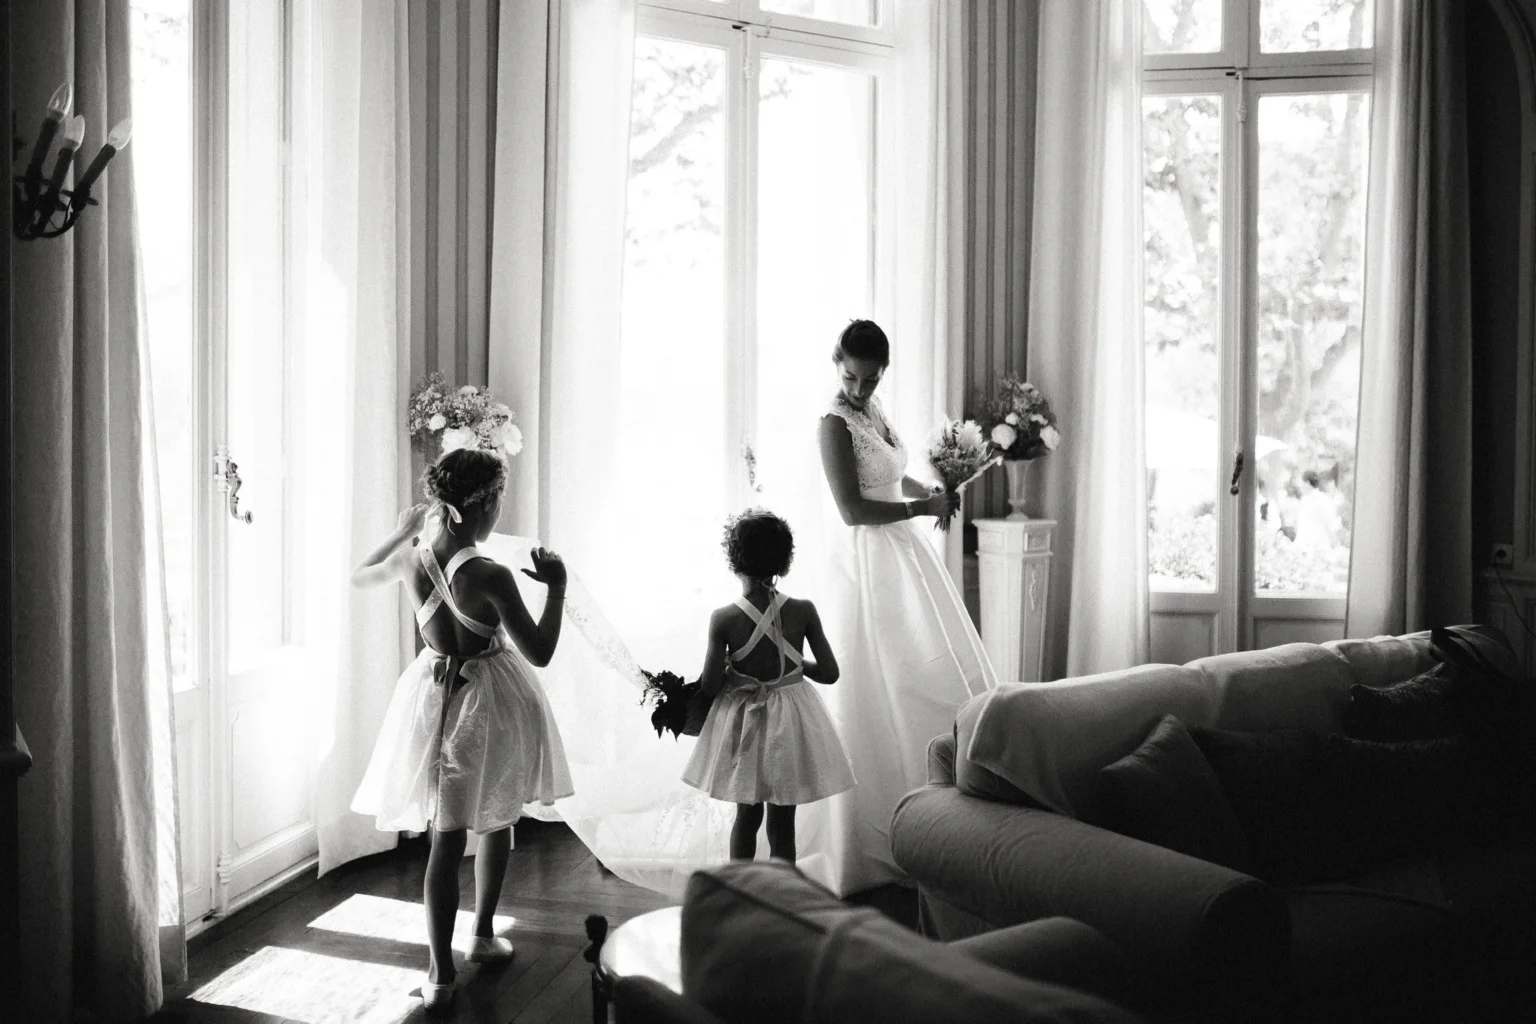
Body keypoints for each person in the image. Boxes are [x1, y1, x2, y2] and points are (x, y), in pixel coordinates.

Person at [349, 448, 572, 1010]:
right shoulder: (490, 574)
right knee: (497, 816)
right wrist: (557, 587)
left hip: (433, 699)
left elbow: (358, 577)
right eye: (499, 499)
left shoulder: (411, 560)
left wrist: (400, 532)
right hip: (489, 703)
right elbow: (540, 651)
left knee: (444, 840)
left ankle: (439, 972)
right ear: (483, 504)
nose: (501, 509)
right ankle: (482, 933)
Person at [798, 319, 998, 894]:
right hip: (868, 562)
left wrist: (925, 492)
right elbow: (852, 510)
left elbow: (889, 476)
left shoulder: (874, 411)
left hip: (904, 554)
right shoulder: (833, 424)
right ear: (836, 364)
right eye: (851, 377)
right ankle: (882, 827)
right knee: (885, 675)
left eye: (871, 379)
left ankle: (954, 815)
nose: (859, 388)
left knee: (934, 665)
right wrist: (919, 511)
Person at [681, 510, 856, 863]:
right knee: (783, 823)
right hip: (789, 722)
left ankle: (741, 887)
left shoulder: (723, 618)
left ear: (734, 560)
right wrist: (795, 666)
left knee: (746, 818)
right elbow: (829, 672)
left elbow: (711, 685)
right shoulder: (803, 611)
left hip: (742, 720)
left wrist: (730, 668)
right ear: (783, 560)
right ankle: (782, 890)